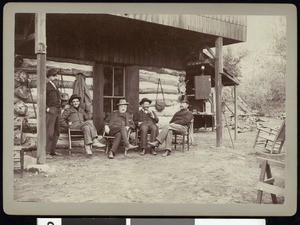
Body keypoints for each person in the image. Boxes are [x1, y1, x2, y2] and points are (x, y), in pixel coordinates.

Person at [46, 68, 62, 158]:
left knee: (57, 131)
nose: (56, 77)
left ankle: (52, 151)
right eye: (53, 76)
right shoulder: (47, 86)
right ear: (49, 77)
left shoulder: (56, 87)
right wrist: (46, 108)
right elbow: (41, 98)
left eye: (56, 76)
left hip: (58, 110)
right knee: (49, 132)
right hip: (51, 110)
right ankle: (46, 152)